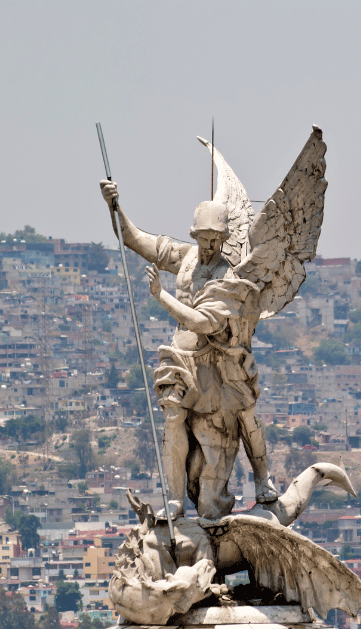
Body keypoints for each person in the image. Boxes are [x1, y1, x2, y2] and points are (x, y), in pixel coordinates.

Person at [101, 180, 277, 519]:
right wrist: (114, 205)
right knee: (172, 421)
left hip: (220, 363)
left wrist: (160, 295)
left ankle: (263, 479)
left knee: (245, 413)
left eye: (216, 239)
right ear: (194, 235)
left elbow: (202, 323)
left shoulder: (229, 276)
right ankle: (175, 499)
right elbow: (134, 238)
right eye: (204, 237)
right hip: (181, 361)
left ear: (225, 239)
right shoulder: (184, 258)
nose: (210, 245)